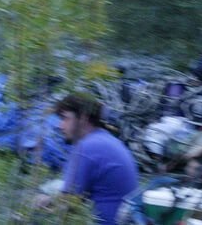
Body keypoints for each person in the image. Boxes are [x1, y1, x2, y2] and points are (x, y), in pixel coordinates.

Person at [32, 94, 139, 224]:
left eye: (65, 118)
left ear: (83, 119)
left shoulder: (87, 147)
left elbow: (67, 205)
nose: (60, 125)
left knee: (37, 210)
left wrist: (43, 202)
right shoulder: (107, 140)